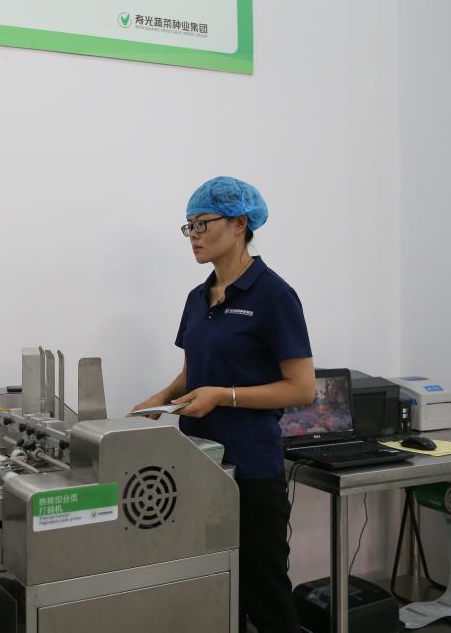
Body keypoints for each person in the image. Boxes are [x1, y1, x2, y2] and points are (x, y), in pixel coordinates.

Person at [130, 176, 315, 633]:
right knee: (212, 586)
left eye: (202, 224)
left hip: (251, 471)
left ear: (238, 224)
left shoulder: (274, 295)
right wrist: (160, 399)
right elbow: (195, 371)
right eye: (188, 226)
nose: (193, 235)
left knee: (264, 593)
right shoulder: (198, 298)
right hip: (198, 465)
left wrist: (224, 396)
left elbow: (301, 388)